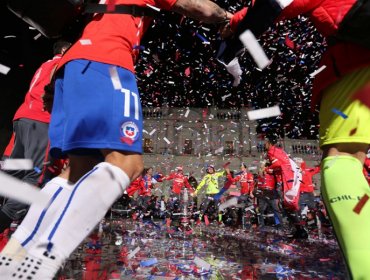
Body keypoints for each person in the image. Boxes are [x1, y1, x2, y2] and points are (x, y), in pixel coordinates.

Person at [0, 0, 233, 278]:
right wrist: (228, 17)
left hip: (69, 68)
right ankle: (40, 262)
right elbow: (201, 8)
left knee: (75, 172)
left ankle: (14, 260)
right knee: (127, 164)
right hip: (108, 62)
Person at [221, 0, 370, 277]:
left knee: (344, 157)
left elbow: (276, 3)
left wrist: (232, 24)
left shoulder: (278, 154)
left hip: (359, 56)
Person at [0, 40, 71, 247]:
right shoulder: (63, 64)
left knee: (16, 169)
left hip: (22, 117)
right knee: (35, 172)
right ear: (65, 51)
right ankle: (5, 217)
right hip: (41, 118)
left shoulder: (44, 64)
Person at [264, 135, 306, 238]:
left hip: (283, 181)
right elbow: (284, 163)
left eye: (265, 142)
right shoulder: (279, 151)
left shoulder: (271, 152)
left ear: (269, 143)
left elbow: (278, 164)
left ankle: (300, 230)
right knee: (288, 205)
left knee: (286, 205)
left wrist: (268, 168)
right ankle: (298, 229)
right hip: (288, 180)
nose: (264, 144)